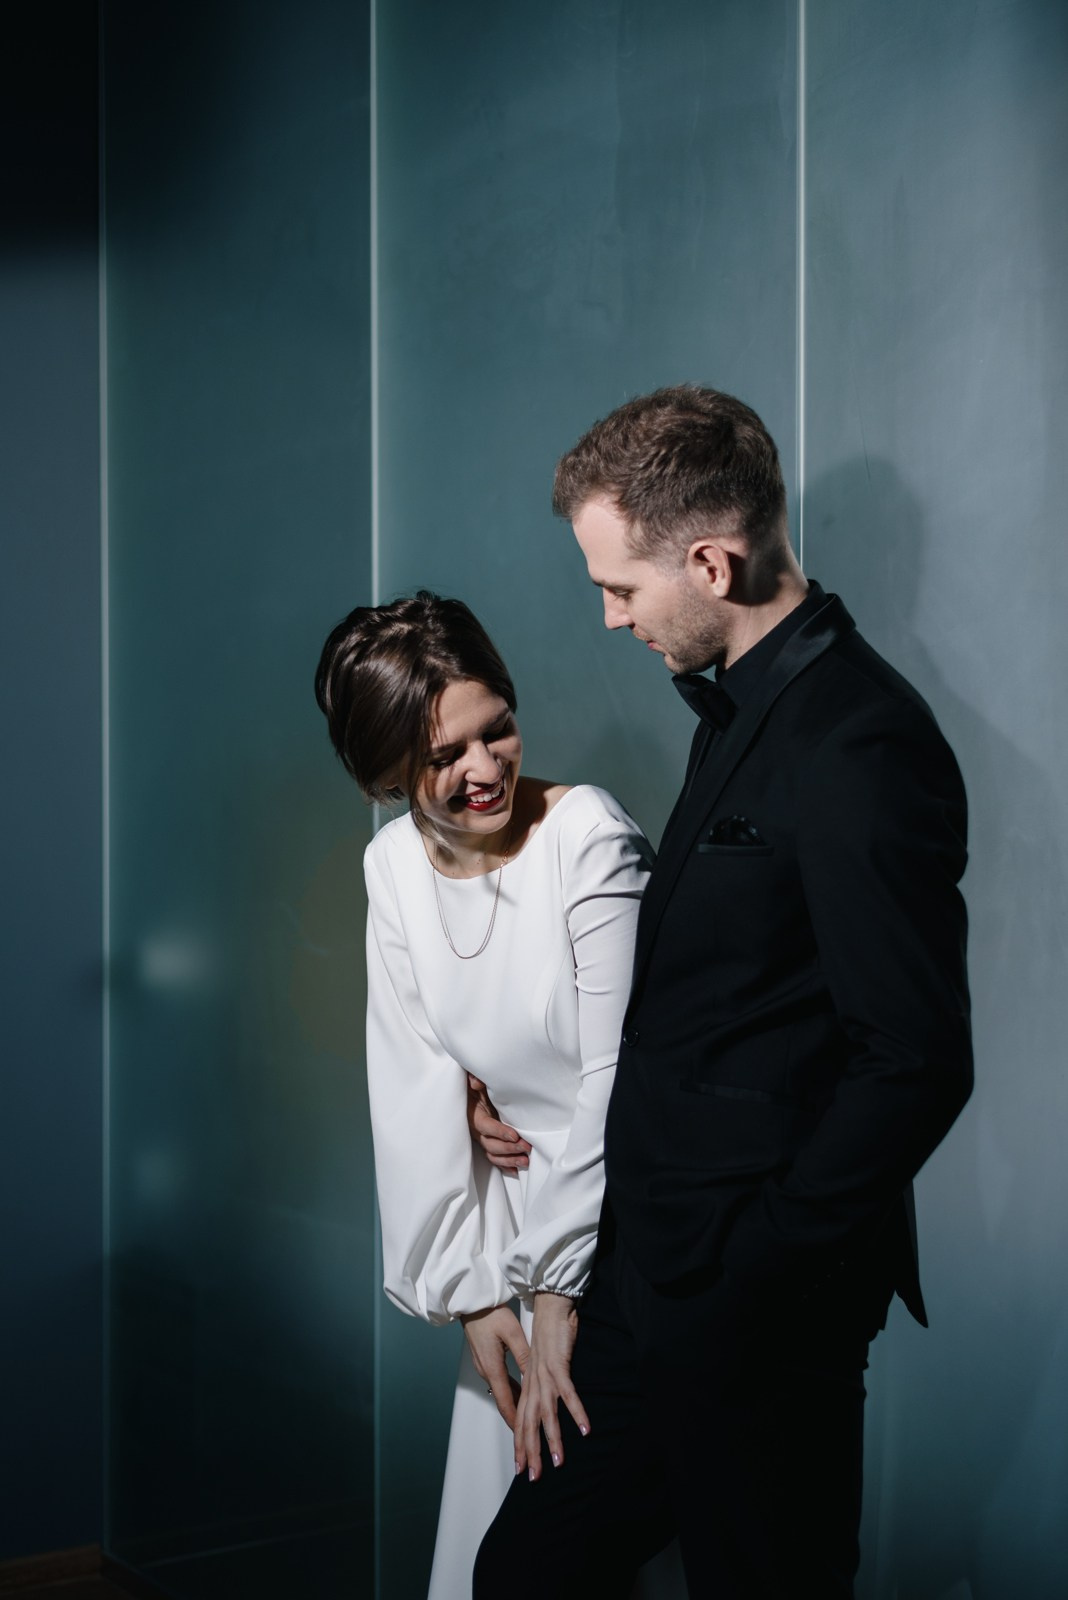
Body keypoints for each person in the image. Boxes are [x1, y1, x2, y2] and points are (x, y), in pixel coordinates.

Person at [474, 386, 973, 1599]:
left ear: (711, 563)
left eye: (622, 588)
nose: (609, 617)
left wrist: (760, 1262)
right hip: (651, 1279)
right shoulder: (735, 702)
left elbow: (913, 1059)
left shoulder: (862, 739)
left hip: (760, 1304)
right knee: (526, 1573)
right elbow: (712, 1006)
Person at [314, 591, 655, 1600]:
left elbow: (620, 1079)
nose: (485, 767)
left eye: (496, 728)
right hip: (507, 1247)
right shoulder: (392, 868)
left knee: (580, 1549)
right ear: (385, 773)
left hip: (626, 1237)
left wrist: (557, 1293)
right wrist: (469, 1293)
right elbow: (409, 1067)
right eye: (444, 754)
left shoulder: (587, 836)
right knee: (499, 1543)